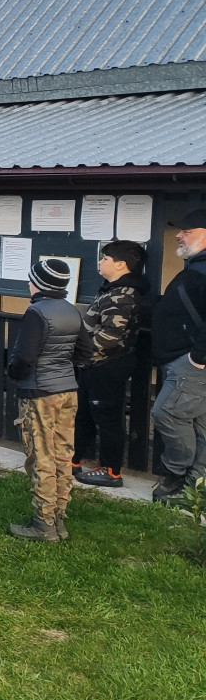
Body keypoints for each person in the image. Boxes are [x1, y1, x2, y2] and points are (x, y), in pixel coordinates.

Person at [7, 258, 84, 542]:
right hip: (67, 390)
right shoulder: (72, 310)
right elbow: (85, 352)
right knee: (63, 454)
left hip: (39, 392)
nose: (28, 283)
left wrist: (14, 374)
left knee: (41, 456)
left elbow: (25, 357)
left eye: (31, 279)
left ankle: (43, 523)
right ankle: (58, 518)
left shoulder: (36, 313)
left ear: (39, 283)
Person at [73, 241, 151, 489]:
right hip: (92, 365)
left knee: (107, 419)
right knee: (84, 415)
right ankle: (73, 459)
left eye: (104, 258)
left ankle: (111, 471)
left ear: (120, 264)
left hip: (107, 366)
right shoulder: (112, 290)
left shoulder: (123, 295)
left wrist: (81, 353)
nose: (99, 262)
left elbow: (109, 338)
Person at [149, 208, 206, 502]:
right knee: (198, 423)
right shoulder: (197, 267)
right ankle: (196, 486)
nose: (179, 235)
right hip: (186, 360)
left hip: (191, 363)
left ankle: (176, 477)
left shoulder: (202, 270)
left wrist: (197, 359)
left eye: (187, 230)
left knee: (167, 413)